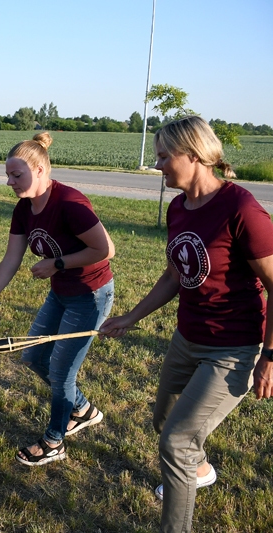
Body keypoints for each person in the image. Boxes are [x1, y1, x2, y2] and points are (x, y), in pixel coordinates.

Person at [100, 116, 273, 532]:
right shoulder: (178, 207)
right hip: (187, 337)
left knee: (176, 442)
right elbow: (176, 275)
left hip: (234, 347)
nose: (157, 165)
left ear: (193, 156)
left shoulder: (241, 209)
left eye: (163, 157)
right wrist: (130, 317)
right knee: (166, 420)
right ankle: (199, 472)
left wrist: (270, 356)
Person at [0, 132, 115, 466]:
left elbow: (106, 250)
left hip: (90, 296)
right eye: (7, 175)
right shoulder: (24, 209)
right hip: (61, 293)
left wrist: (57, 263)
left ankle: (54, 441)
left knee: (62, 373)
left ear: (39, 169)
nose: (9, 182)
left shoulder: (70, 204)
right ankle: (82, 409)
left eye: (15, 175)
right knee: (34, 357)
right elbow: (11, 259)